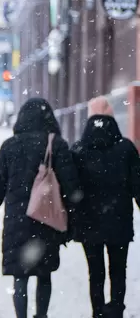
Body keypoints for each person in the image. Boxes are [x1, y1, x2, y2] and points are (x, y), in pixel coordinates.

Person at [0, 98, 80, 318]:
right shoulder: (55, 144)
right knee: (44, 273)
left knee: (20, 275)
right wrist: (72, 221)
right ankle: (42, 315)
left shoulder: (10, 145)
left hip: (18, 220)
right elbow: (70, 185)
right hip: (47, 218)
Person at [70, 97, 140, 318]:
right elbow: (137, 185)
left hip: (89, 222)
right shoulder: (126, 148)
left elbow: (72, 188)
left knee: (95, 272)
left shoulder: (79, 149)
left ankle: (98, 312)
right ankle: (116, 309)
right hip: (119, 221)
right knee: (119, 270)